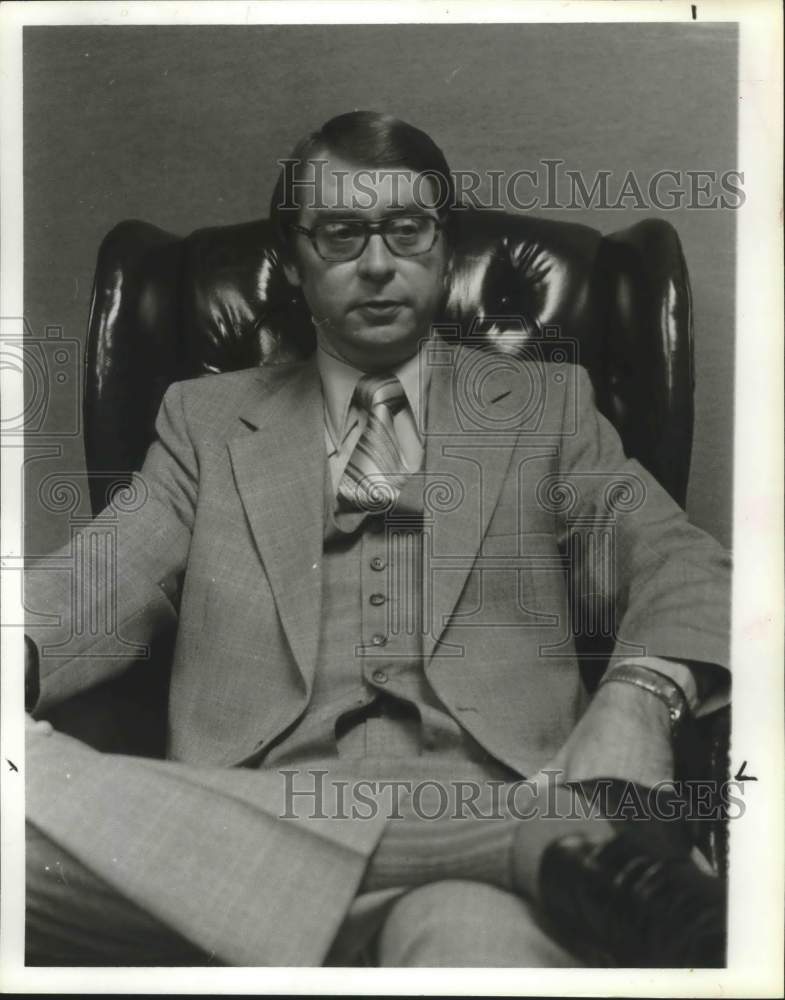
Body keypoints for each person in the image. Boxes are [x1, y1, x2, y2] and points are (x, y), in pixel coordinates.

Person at [23, 111, 731, 967]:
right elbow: (101, 579)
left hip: (471, 843)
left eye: (407, 228)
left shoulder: (544, 409)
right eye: (341, 232)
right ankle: (538, 842)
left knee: (475, 953)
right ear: (295, 255)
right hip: (226, 835)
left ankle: (505, 847)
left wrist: (638, 695)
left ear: (443, 244)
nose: (377, 262)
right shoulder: (204, 422)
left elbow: (683, 563)